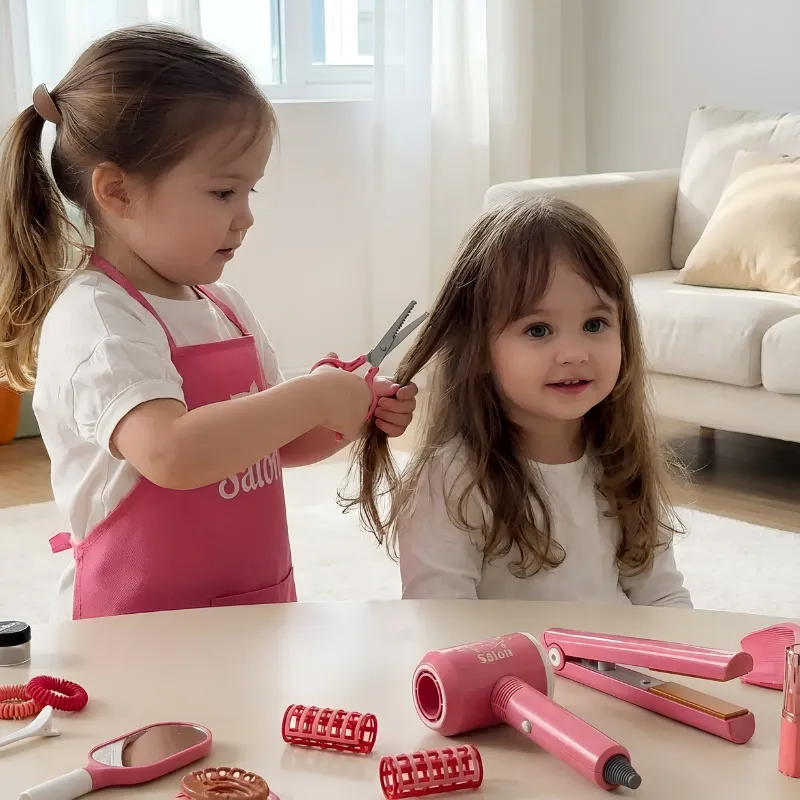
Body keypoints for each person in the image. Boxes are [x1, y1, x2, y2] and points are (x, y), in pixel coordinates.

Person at [0, 24, 417, 621]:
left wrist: (346, 413)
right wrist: (314, 395)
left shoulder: (225, 309)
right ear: (117, 192)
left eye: (250, 192)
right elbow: (171, 453)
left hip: (252, 607)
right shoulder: (97, 321)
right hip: (142, 631)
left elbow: (273, 445)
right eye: (223, 193)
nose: (246, 216)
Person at [344, 195, 692, 607]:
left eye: (594, 324)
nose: (574, 353)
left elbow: (663, 597)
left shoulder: (622, 459)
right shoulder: (451, 481)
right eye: (538, 330)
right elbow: (441, 619)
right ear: (477, 349)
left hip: (619, 653)